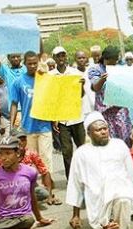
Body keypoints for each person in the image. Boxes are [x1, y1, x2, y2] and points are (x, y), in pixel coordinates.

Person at [66, 111, 133, 229]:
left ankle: (115, 228)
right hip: (96, 198)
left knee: (123, 196)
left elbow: (131, 173)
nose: (103, 132)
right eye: (98, 130)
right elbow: (75, 184)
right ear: (89, 133)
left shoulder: (119, 145)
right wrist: (76, 215)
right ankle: (109, 225)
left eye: (105, 128)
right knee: (105, 210)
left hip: (121, 192)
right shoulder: (81, 153)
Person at [9, 51, 54, 174]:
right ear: (25, 64)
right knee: (30, 160)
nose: (33, 66)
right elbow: (14, 103)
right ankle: (33, 188)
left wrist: (55, 120)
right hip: (27, 127)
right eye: (30, 64)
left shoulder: (45, 79)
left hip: (45, 126)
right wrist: (11, 125)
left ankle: (48, 188)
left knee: (46, 159)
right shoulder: (18, 82)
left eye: (35, 63)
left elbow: (54, 99)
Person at [0, 129, 61, 205]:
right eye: (19, 140)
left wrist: (49, 195)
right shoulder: (3, 156)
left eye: (24, 140)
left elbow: (45, 172)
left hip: (28, 185)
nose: (22, 143)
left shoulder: (31, 153)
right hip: (10, 185)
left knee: (44, 193)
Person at [49, 46, 86, 179]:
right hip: (62, 119)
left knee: (82, 148)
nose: (61, 58)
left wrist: (82, 85)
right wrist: (53, 118)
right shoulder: (50, 76)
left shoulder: (75, 73)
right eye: (58, 56)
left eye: (63, 55)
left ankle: (85, 176)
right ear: (54, 58)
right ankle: (71, 179)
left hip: (77, 117)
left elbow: (81, 95)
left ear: (66, 57)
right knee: (67, 151)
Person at [88, 45, 132, 145]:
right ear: (105, 59)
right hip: (105, 111)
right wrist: (102, 80)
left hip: (119, 110)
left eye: (116, 61)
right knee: (108, 141)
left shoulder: (120, 68)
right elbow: (95, 87)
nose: (114, 63)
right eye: (111, 61)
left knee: (124, 139)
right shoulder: (95, 70)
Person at [74, 50, 94, 118]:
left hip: (94, 106)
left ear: (87, 59)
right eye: (79, 58)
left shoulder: (91, 71)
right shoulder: (73, 74)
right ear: (75, 60)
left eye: (83, 58)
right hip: (82, 108)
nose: (81, 60)